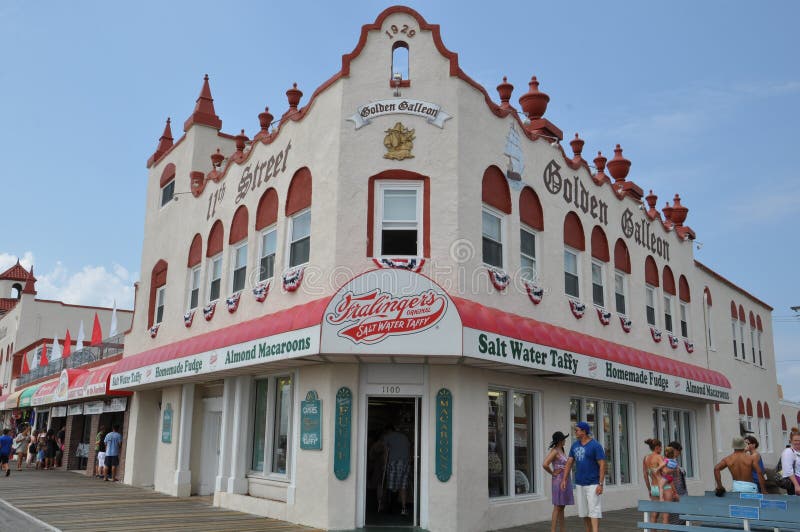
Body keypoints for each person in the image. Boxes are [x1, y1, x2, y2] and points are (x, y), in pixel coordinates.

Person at [562, 421, 606, 532]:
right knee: (584, 512)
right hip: (580, 483)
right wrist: (564, 479)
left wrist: (600, 484)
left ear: (584, 431)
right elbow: (569, 463)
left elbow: (602, 465)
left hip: (593, 483)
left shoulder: (595, 445)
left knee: (594, 511)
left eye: (576, 430)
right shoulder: (574, 445)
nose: (575, 432)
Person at [542, 431, 574, 532]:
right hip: (559, 480)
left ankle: (562, 530)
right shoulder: (555, 451)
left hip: (565, 479)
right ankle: (553, 530)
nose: (565, 440)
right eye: (564, 439)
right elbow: (545, 464)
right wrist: (553, 473)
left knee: (562, 505)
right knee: (557, 506)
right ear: (560, 440)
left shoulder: (561, 449)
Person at [382, 424, 411, 515]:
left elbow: (386, 452)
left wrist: (384, 464)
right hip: (406, 463)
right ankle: (403, 508)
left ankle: (391, 508)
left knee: (392, 486)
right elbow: (409, 449)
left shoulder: (388, 437)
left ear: (388, 431)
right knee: (403, 486)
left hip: (394, 463)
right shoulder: (404, 437)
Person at [642, 438, 668, 527]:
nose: (661, 450)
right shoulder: (659, 457)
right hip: (664, 487)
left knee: (654, 514)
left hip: (654, 487)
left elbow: (645, 475)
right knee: (666, 514)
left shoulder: (646, 458)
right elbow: (665, 472)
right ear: (657, 447)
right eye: (661, 448)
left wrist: (649, 489)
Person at [780, 430, 800, 495]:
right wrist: (796, 485)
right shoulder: (788, 452)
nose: (798, 442)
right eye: (795, 440)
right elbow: (788, 471)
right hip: (795, 484)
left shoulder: (798, 452)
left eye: (799, 440)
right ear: (791, 441)